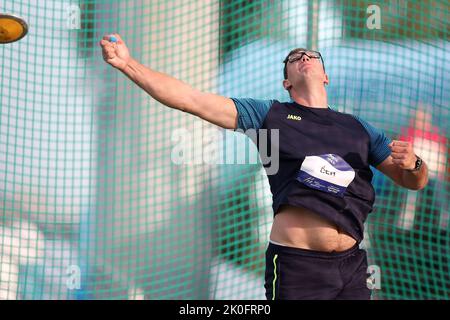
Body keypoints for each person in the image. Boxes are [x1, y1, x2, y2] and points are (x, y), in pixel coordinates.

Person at [99, 34, 429, 300]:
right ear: (287, 83)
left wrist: (414, 164)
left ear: (325, 75)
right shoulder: (269, 116)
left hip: (352, 266)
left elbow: (413, 180)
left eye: (311, 55)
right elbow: (192, 99)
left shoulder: (359, 128)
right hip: (298, 265)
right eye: (294, 58)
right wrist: (129, 65)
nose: (304, 57)